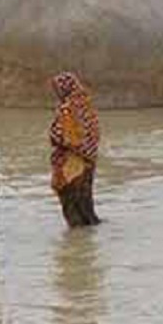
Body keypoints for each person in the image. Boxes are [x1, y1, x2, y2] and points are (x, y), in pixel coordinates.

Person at [50, 72, 100, 227]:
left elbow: (62, 137)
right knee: (85, 202)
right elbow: (92, 135)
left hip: (70, 164)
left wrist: (52, 135)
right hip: (87, 163)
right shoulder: (87, 106)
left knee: (71, 204)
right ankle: (86, 243)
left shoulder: (67, 109)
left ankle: (75, 246)